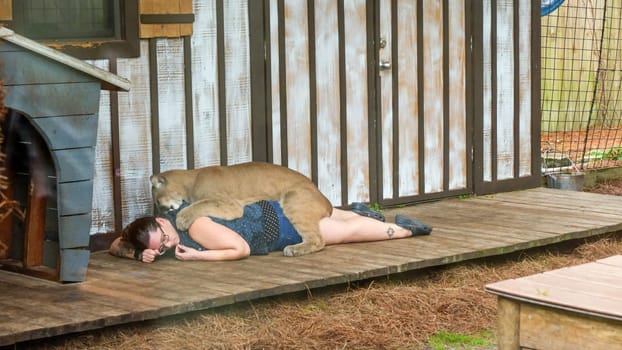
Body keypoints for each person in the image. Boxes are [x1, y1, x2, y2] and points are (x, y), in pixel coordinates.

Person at [109, 200, 432, 263]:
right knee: (331, 216)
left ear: (162, 222)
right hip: (270, 209)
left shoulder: (196, 225)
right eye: (161, 247)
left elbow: (240, 250)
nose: (166, 246)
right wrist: (138, 251)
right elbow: (115, 244)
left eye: (164, 239)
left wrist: (198, 256)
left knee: (342, 233)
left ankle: (403, 230)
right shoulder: (168, 222)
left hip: (279, 228)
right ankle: (360, 211)